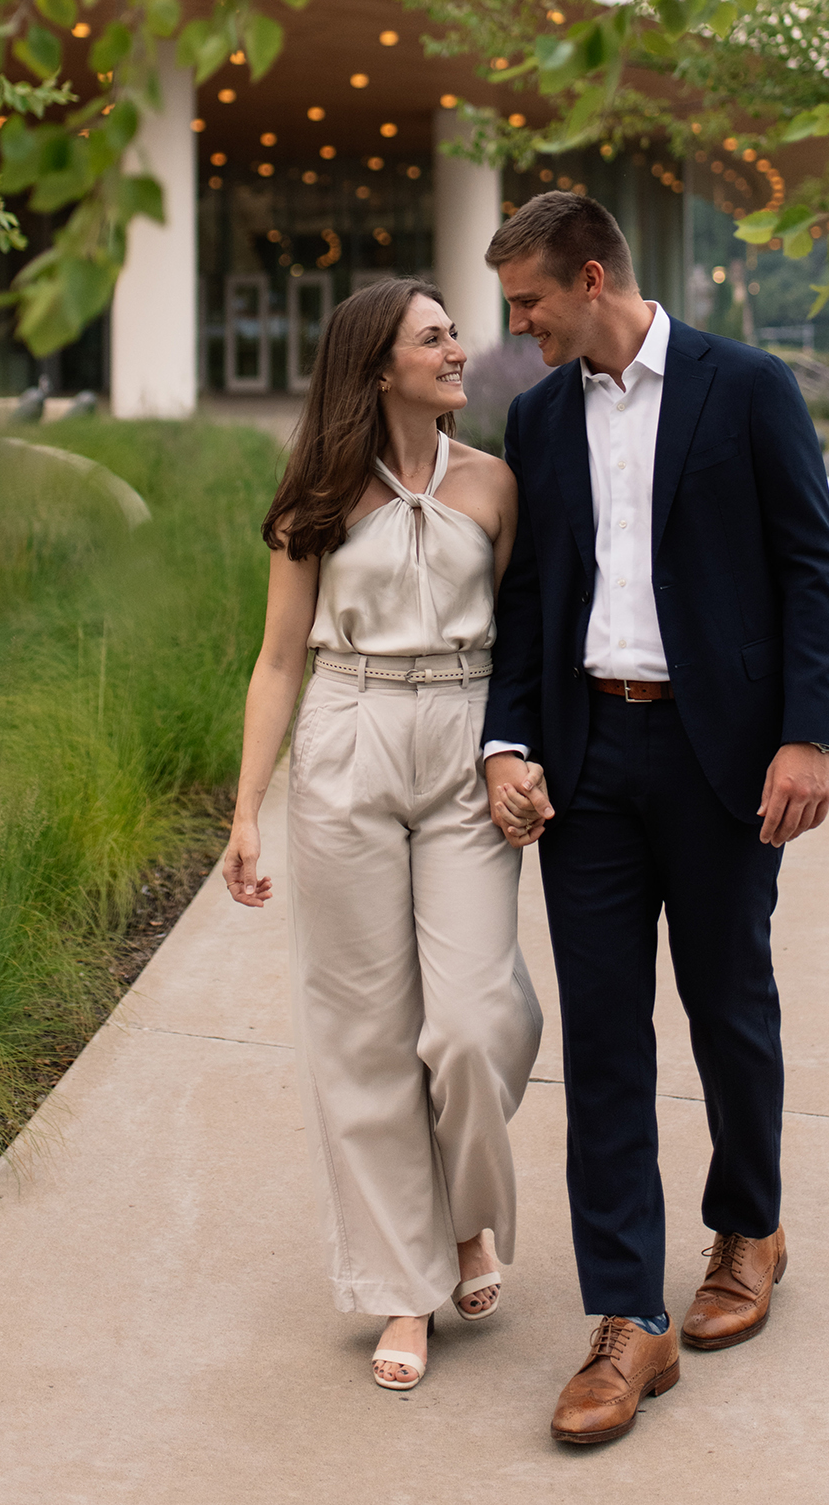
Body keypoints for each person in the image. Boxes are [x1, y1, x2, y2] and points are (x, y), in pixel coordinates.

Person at [480, 191, 829, 1445]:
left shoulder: (744, 386)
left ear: (592, 276)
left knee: (727, 1004)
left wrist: (810, 736)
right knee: (600, 1042)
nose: (517, 325)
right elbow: (526, 599)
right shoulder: (536, 419)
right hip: (586, 761)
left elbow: (809, 566)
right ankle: (627, 1317)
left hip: (719, 758)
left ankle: (748, 1226)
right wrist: (507, 741)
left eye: (529, 301)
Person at [225, 275, 543, 1393]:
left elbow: (525, 645)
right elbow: (276, 658)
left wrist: (520, 751)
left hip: (461, 735)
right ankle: (402, 1285)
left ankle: (466, 1214)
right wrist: (245, 811)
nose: (460, 348)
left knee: (466, 1021)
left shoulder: (496, 485)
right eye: (434, 336)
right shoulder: (317, 493)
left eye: (454, 331)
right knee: (364, 1032)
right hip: (347, 731)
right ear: (377, 367)